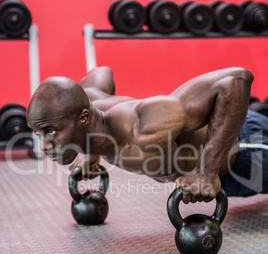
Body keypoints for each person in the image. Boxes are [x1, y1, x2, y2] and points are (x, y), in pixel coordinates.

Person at [26, 66, 268, 203]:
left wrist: (207, 171)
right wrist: (88, 149)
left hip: (248, 150)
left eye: (50, 131)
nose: (44, 146)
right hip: (228, 172)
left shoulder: (141, 126)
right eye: (38, 133)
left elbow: (236, 79)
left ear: (84, 118)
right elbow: (101, 72)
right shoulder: (88, 102)